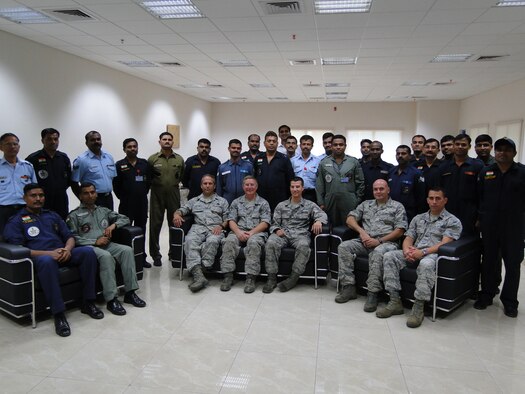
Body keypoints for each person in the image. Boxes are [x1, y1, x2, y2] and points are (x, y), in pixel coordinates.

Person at [3, 184, 102, 337]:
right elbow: (19, 249)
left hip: (62, 253)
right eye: (33, 196)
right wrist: (49, 254)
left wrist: (67, 249)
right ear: (25, 198)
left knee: (87, 252)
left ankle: (88, 302)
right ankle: (59, 314)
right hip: (41, 258)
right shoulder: (17, 221)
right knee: (46, 262)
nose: (38, 199)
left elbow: (69, 236)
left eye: (41, 195)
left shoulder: (52, 215)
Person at [376, 187, 462, 328]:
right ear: (427, 200)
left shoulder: (452, 221)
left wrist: (422, 253)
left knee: (426, 264)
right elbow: (409, 238)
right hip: (414, 252)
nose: (434, 202)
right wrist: (406, 251)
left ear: (445, 200)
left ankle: (418, 307)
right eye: (431, 198)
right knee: (389, 256)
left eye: (438, 198)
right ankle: (394, 301)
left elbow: (445, 244)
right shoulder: (418, 218)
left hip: (433, 255)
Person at [67, 183, 146, 316]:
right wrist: (94, 241)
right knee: (106, 256)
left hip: (107, 244)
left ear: (96, 194)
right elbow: (73, 238)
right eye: (86, 193)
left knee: (126, 250)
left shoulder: (103, 211)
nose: (90, 195)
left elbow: (125, 218)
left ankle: (130, 293)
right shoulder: (74, 215)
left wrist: (113, 226)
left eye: (92, 192)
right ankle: (111, 299)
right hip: (89, 247)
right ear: (80, 196)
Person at [335, 180, 407, 311]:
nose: (378, 192)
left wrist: (379, 241)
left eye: (381, 189)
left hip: (387, 243)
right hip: (365, 241)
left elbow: (400, 230)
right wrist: (362, 232)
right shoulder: (365, 204)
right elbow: (349, 219)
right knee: (344, 247)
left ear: (388, 190)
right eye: (375, 189)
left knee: (377, 252)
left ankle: (373, 293)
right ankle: (348, 287)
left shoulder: (397, 207)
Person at [475, 138, 525, 318]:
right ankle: (486, 295)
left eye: (507, 150)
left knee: (512, 264)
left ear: (514, 153)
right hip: (490, 226)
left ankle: (510, 302)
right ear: (495, 152)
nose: (502, 153)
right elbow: (480, 196)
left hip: (514, 227)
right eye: (499, 149)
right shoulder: (486, 171)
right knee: (488, 261)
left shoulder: (522, 172)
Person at [262, 177, 328, 293]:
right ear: (290, 188)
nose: (295, 189)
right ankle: (271, 278)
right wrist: (277, 229)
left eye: (297, 187)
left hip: (300, 234)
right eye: (292, 187)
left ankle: (293, 279)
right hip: (283, 233)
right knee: (271, 243)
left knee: (304, 246)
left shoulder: (310, 205)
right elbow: (274, 223)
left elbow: (323, 215)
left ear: (302, 188)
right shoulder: (281, 205)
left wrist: (318, 221)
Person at [172, 175, 229, 293]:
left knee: (213, 241)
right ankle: (199, 277)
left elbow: (228, 219)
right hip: (198, 228)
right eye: (205, 183)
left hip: (215, 229)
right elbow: (182, 210)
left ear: (214, 186)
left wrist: (221, 226)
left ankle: (200, 272)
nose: (207, 186)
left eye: (210, 183)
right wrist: (176, 215)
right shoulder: (194, 201)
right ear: (201, 186)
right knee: (189, 241)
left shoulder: (222, 201)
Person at [219, 176, 271, 293]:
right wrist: (238, 232)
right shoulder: (236, 202)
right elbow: (231, 220)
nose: (249, 187)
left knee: (253, 243)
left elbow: (265, 223)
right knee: (228, 241)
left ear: (256, 187)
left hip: (257, 232)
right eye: (247, 185)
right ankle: (228, 277)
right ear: (243, 187)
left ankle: (250, 278)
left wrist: (251, 233)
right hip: (239, 230)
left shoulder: (263, 203)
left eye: (252, 185)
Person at [113, 138, 152, 268]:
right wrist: (124, 197)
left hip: (141, 203)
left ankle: (141, 258)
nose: (132, 149)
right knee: (125, 231)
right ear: (124, 149)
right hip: (126, 204)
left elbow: (148, 183)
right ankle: (127, 259)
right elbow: (116, 186)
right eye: (129, 147)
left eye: (134, 146)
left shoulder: (144, 164)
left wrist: (140, 193)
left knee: (141, 231)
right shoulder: (119, 165)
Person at [148, 131, 184, 266]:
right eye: (164, 139)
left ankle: (173, 253)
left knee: (174, 223)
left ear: (172, 142)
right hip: (157, 194)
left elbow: (181, 176)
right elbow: (149, 177)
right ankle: (156, 255)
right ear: (160, 142)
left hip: (174, 193)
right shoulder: (152, 159)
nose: (167, 141)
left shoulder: (179, 159)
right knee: (155, 224)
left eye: (169, 139)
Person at [438, 133, 483, 235]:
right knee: (447, 243)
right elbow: (439, 191)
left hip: (470, 213)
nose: (460, 147)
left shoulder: (477, 165)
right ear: (453, 145)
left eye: (463, 144)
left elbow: (482, 193)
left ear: (469, 147)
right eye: (457, 144)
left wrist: (480, 217)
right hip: (447, 212)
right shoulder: (444, 167)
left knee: (468, 244)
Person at [316, 134, 364, 226]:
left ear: (345, 146)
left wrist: (357, 200)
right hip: (330, 201)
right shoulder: (324, 162)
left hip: (349, 201)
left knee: (349, 227)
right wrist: (321, 203)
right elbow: (319, 184)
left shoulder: (353, 162)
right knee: (331, 227)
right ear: (331, 146)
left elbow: (360, 182)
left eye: (341, 145)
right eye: (335, 145)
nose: (338, 147)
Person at [25, 128, 73, 219]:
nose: (53, 142)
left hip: (61, 199)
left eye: (55, 139)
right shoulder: (33, 159)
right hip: (41, 200)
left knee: (61, 224)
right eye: (49, 139)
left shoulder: (63, 158)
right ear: (42, 140)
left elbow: (68, 179)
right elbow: (27, 182)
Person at [0, 133, 37, 233]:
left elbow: (34, 189)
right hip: (3, 210)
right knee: (4, 238)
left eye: (15, 144)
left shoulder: (28, 166)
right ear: (1, 147)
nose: (12, 147)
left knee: (29, 235)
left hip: (24, 209)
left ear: (19, 146)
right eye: (8, 144)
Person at [71, 131, 116, 210]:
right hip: (92, 199)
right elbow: (74, 183)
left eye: (98, 139)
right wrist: (83, 199)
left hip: (108, 198)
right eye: (92, 140)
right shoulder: (82, 160)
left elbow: (113, 178)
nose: (96, 142)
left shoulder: (108, 157)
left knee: (109, 221)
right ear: (86, 143)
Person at [253, 131, 294, 211]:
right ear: (264, 143)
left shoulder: (284, 159)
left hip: (280, 198)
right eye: (269, 141)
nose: (271, 143)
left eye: (274, 141)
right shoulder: (258, 158)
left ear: (277, 143)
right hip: (261, 198)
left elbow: (290, 179)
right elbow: (254, 177)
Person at [388, 145, 426, 222]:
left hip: (409, 213)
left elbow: (421, 197)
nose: (400, 156)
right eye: (398, 154)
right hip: (391, 212)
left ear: (409, 156)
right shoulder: (391, 171)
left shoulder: (416, 173)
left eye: (403, 153)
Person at [216, 139, 253, 204]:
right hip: (227, 201)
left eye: (238, 148)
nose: (236, 150)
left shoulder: (248, 166)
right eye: (233, 148)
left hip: (245, 201)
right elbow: (219, 188)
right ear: (229, 149)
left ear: (241, 149)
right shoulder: (222, 167)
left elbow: (253, 185)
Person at [291, 135, 320, 203]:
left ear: (312, 146)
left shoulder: (318, 161)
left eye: (308, 144)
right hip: (296, 193)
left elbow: (320, 180)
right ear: (300, 145)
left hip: (312, 194)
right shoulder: (293, 161)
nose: (306, 146)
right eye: (304, 144)